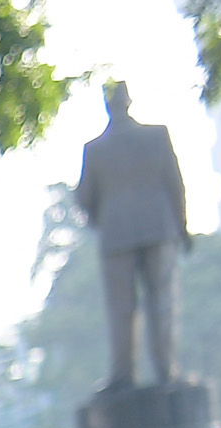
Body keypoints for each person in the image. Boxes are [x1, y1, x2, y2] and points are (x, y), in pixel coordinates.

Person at [76, 81, 191, 390]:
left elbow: (84, 198)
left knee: (121, 309)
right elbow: (175, 185)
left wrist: (103, 216)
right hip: (158, 229)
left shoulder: (95, 149)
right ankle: (167, 370)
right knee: (162, 302)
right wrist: (182, 227)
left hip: (116, 236)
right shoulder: (156, 136)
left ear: (106, 104)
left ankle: (122, 375)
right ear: (129, 101)